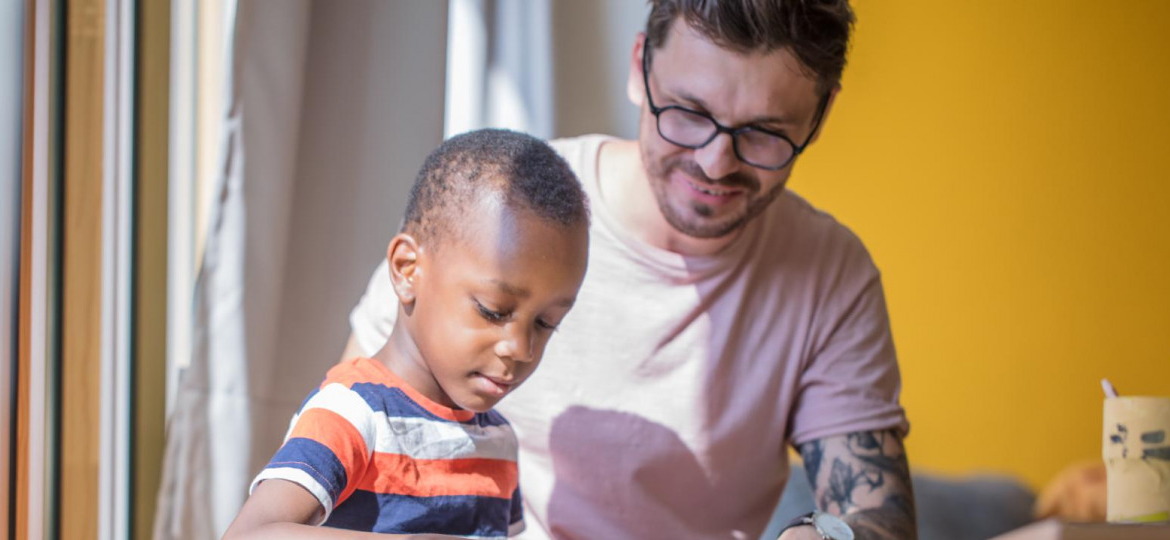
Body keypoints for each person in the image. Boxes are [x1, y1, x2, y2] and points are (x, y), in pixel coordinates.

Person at [340, 1, 915, 539]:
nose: (715, 163)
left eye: (764, 134)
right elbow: (354, 430)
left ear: (820, 115)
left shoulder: (831, 275)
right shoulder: (504, 205)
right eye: (689, 113)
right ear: (640, 67)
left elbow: (874, 515)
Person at [223, 129, 592, 539]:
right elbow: (249, 534)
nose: (520, 348)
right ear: (406, 270)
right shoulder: (353, 413)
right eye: (493, 310)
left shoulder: (497, 440)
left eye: (545, 323)